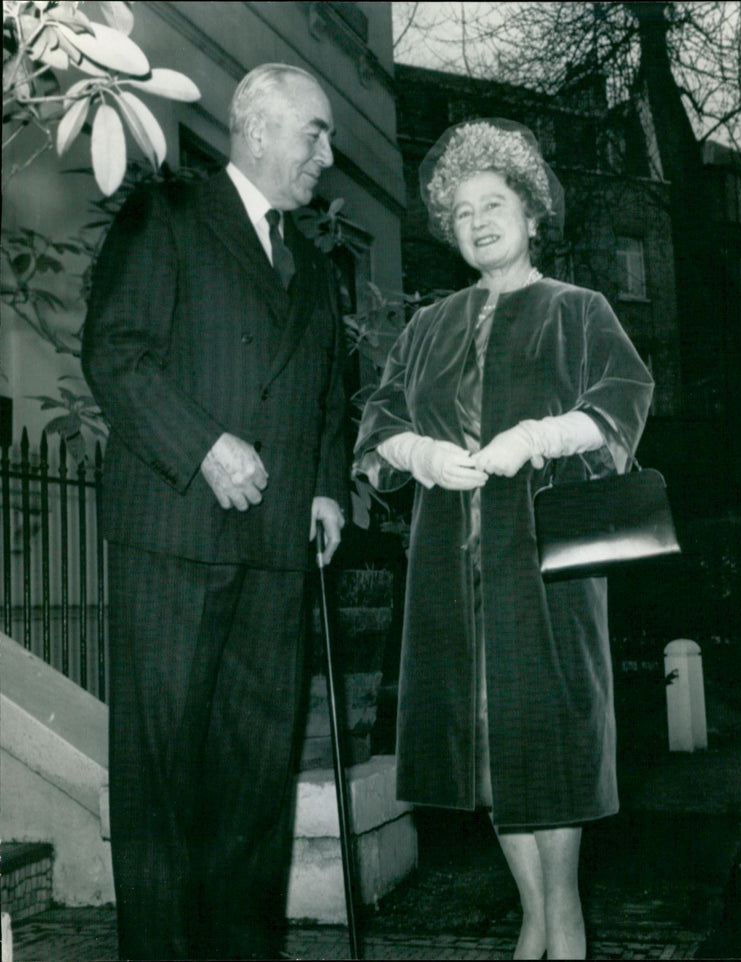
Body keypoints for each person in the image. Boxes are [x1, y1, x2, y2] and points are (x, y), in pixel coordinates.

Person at [353, 118, 654, 960]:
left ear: (530, 215)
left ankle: (558, 926)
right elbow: (379, 419)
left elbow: (626, 396)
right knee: (484, 747)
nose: (479, 221)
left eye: (495, 204)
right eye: (461, 212)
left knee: (549, 743)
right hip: (451, 573)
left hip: (545, 569)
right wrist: (417, 451)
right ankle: (543, 921)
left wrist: (541, 436)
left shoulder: (579, 310)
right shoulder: (426, 327)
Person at [82, 63, 348, 961]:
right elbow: (115, 352)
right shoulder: (168, 215)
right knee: (162, 784)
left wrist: (326, 486)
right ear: (259, 128)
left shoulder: (315, 266)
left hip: (275, 555)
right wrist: (203, 446)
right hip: (175, 538)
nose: (328, 152)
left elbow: (330, 401)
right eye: (315, 131)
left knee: (254, 789)